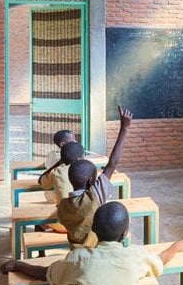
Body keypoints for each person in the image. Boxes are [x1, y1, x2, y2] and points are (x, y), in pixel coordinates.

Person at [0, 202, 183, 285]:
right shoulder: (137, 255)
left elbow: (48, 275)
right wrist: (176, 246)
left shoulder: (79, 258)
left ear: (93, 228)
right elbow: (159, 261)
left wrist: (19, 265)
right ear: (125, 233)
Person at [57, 106, 134, 247]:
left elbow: (111, 164)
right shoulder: (94, 197)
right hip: (95, 250)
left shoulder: (62, 206)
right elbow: (113, 163)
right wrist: (124, 129)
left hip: (75, 252)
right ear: (90, 181)